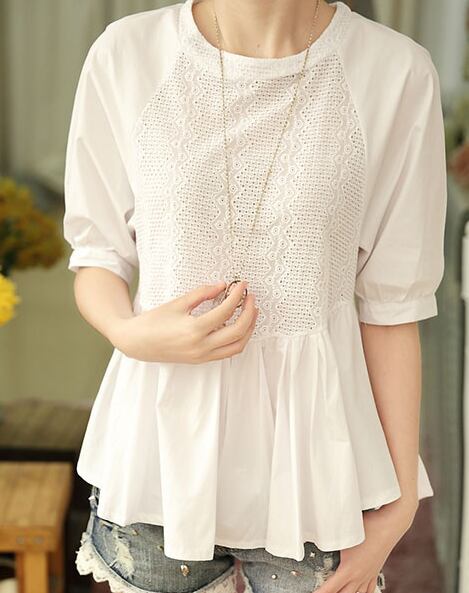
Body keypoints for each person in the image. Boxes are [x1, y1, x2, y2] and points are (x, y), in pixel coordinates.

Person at [62, 0, 447, 592]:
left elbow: (393, 308)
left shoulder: (395, 71)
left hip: (315, 473)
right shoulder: (127, 54)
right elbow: (97, 255)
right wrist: (127, 331)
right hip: (158, 458)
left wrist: (399, 506)